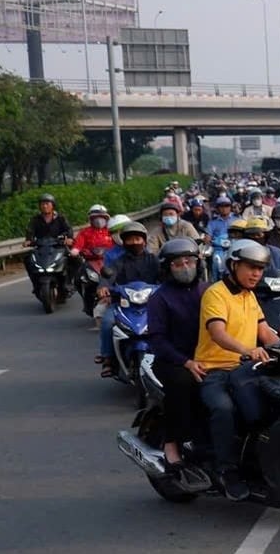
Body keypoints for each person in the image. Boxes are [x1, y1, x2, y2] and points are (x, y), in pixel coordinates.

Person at [194, 240, 280, 500]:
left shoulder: (249, 295)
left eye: (260, 269)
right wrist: (247, 350)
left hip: (245, 369)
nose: (256, 274)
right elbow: (217, 333)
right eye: (251, 267)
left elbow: (264, 332)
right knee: (224, 409)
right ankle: (226, 470)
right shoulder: (215, 293)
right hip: (214, 370)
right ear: (233, 265)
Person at [145, 238, 208, 486]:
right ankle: (173, 442)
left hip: (208, 356)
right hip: (173, 360)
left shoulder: (209, 291)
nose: (185, 266)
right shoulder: (160, 299)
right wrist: (186, 362)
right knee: (183, 386)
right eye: (178, 263)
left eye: (190, 261)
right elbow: (158, 340)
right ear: (167, 268)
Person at [96, 222, 159, 378]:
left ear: (144, 240)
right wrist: (103, 287)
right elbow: (108, 277)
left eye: (137, 239)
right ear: (124, 242)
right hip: (123, 304)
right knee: (107, 322)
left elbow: (165, 276)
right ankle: (108, 358)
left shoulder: (154, 260)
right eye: (130, 240)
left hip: (151, 304)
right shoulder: (118, 262)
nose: (134, 243)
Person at [23, 193, 74, 291]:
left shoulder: (60, 218)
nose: (45, 206)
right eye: (42, 204)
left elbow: (69, 230)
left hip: (58, 247)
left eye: (47, 203)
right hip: (42, 248)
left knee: (74, 259)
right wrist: (28, 240)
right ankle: (35, 283)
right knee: (27, 259)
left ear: (52, 205)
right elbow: (30, 231)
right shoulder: (35, 220)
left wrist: (69, 239)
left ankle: (68, 281)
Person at [72, 204, 115, 314]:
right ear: (91, 219)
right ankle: (87, 302)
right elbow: (78, 244)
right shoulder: (85, 232)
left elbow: (118, 242)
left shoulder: (111, 231)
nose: (99, 220)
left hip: (109, 262)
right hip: (91, 262)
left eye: (102, 217)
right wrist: (76, 250)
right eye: (96, 217)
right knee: (78, 279)